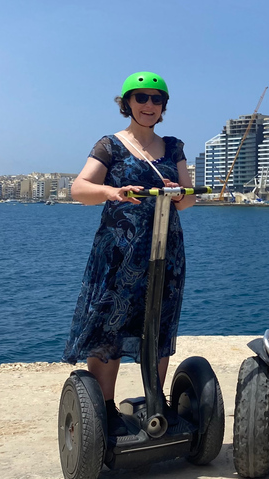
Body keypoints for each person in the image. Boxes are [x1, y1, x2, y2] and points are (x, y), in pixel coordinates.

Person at [62, 72, 195, 436]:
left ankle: (157, 401)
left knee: (161, 321)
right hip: (119, 253)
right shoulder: (111, 145)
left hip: (167, 249)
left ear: (163, 106)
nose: (149, 105)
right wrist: (112, 191)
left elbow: (188, 200)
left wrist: (179, 192)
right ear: (127, 103)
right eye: (141, 99)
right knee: (111, 324)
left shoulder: (174, 146)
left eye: (156, 99)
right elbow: (79, 189)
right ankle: (104, 408)